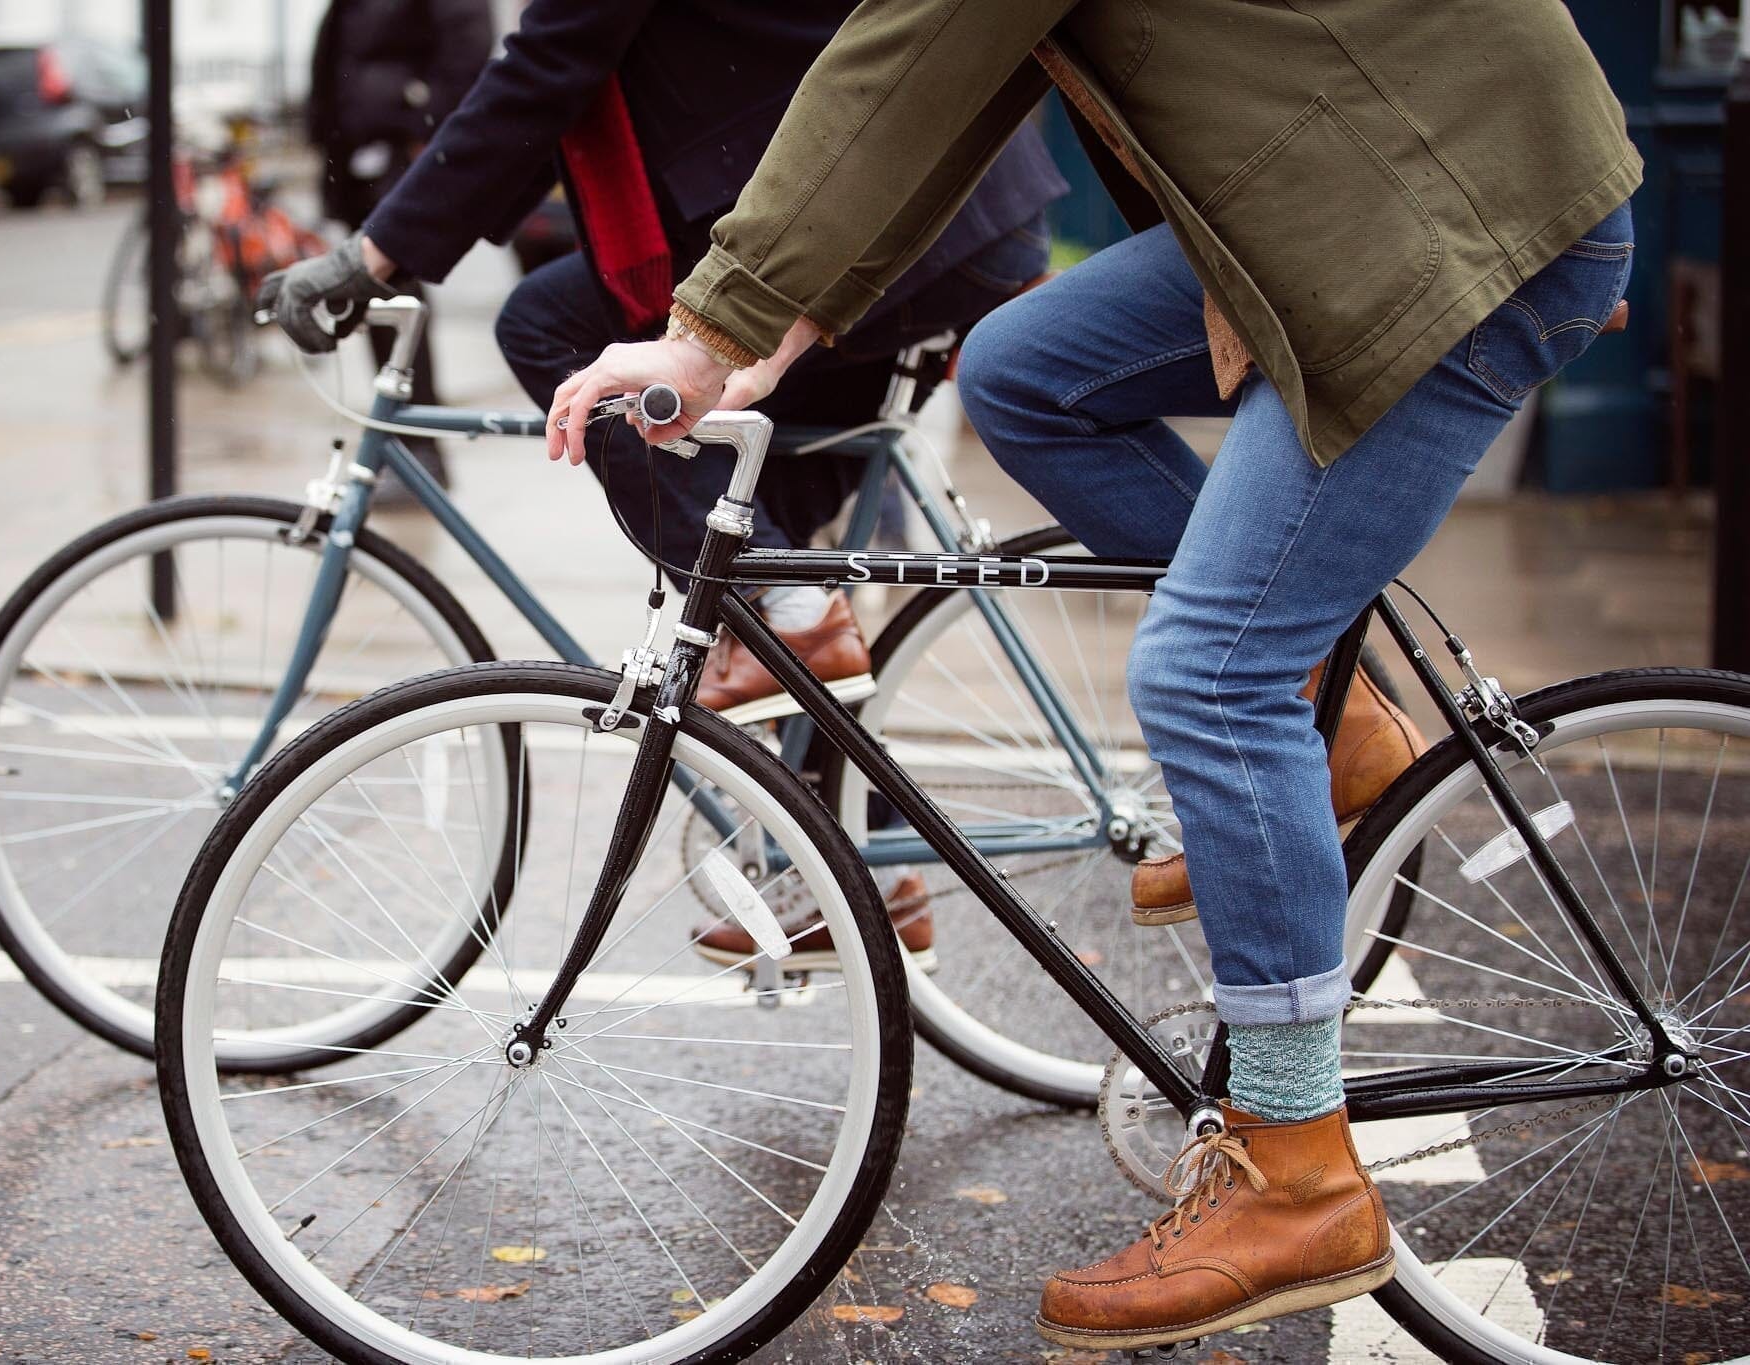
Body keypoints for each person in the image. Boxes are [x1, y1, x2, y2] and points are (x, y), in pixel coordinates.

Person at [546, 0, 1639, 1349]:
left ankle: (1298, 1168)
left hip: (1434, 206)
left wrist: (711, 329)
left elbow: (909, 50)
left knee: (1207, 675)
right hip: (1361, 175)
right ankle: (1336, 727)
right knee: (1028, 371)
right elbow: (955, 78)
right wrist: (761, 335)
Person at [261, 0, 1065, 958]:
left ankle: (788, 617)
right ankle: (862, 873)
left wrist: (371, 256)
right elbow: (549, 96)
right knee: (764, 544)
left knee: (549, 330)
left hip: (878, 227)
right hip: (930, 213)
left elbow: (543, 70)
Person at [306, 0, 493, 492]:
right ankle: (400, 445)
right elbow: (335, 57)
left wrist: (424, 128)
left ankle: (420, 451)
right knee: (376, 302)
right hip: (357, 157)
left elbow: (468, 50)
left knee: (399, 297)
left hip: (402, 155)